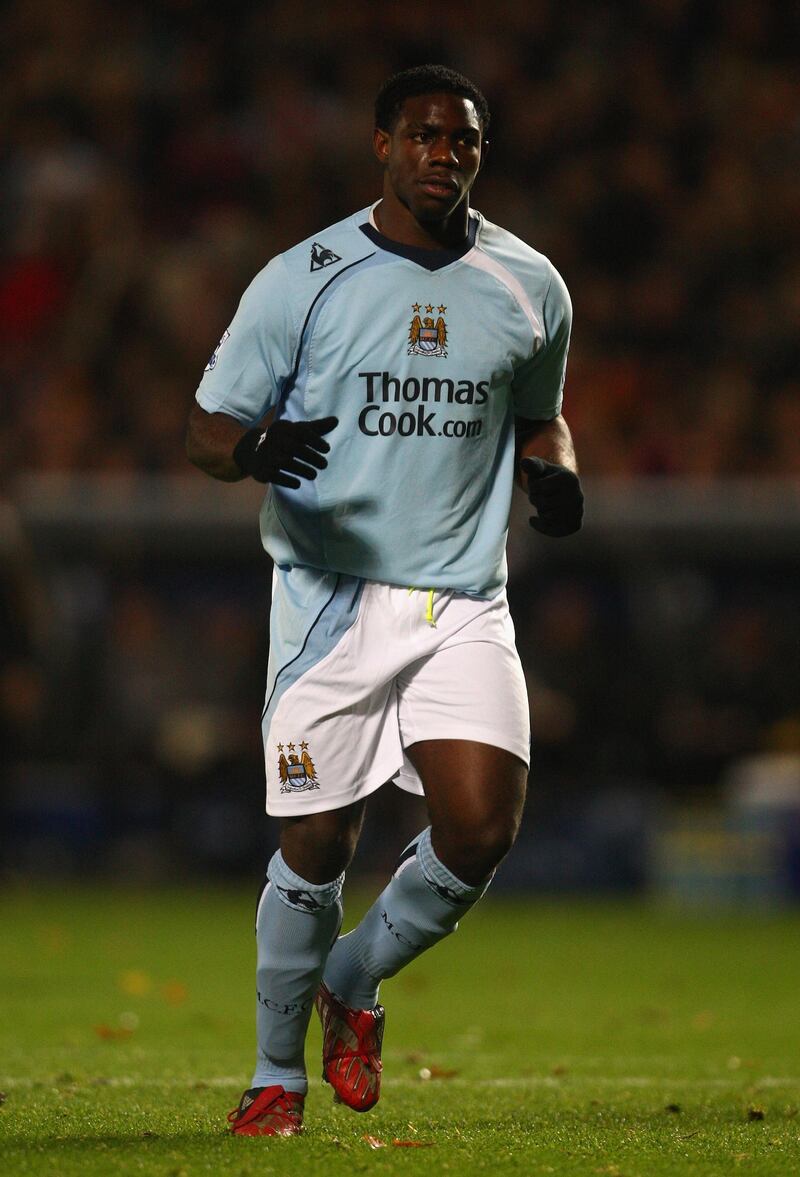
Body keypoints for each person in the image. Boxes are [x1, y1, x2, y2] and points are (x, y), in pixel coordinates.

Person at [186, 64, 583, 1137]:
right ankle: (277, 1075)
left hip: (460, 594)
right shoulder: (301, 277)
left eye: (459, 141)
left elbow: (541, 416)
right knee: (316, 846)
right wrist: (255, 448)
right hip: (329, 595)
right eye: (419, 136)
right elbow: (207, 427)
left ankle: (350, 981)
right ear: (380, 146)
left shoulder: (528, 284)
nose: (439, 155)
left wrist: (552, 471)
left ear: (477, 156)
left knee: (479, 829)